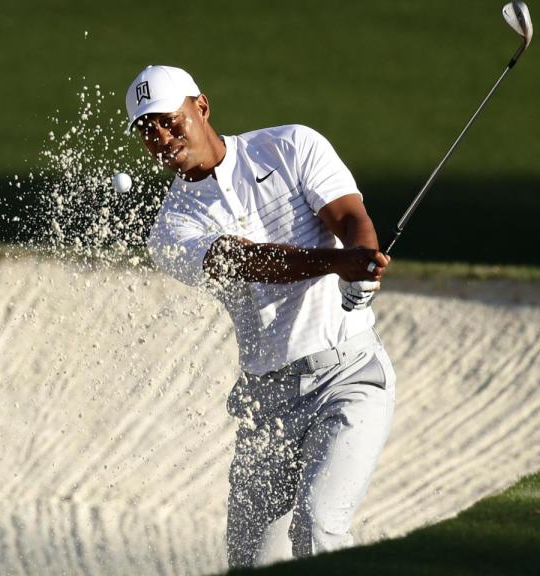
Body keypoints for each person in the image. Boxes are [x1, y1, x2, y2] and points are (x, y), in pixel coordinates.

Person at [124, 64, 397, 568]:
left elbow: (350, 216)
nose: (160, 137)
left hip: (348, 376)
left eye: (168, 120)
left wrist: (362, 266)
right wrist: (337, 263)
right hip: (265, 405)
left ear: (201, 107)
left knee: (317, 524)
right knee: (249, 561)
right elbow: (247, 262)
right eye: (147, 130)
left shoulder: (291, 146)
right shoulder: (171, 228)